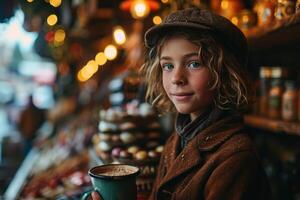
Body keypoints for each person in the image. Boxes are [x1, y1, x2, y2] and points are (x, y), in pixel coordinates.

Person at [91, 7, 271, 200]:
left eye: (194, 63)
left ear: (225, 73)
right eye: (168, 66)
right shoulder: (176, 140)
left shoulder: (235, 159)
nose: (176, 78)